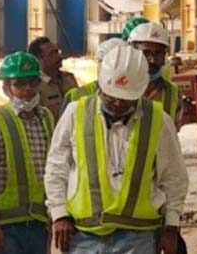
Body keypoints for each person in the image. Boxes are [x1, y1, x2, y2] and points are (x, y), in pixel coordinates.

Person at [45, 45, 188, 254]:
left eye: (125, 100)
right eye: (111, 97)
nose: (118, 104)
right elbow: (56, 167)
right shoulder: (75, 113)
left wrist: (171, 227)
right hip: (83, 235)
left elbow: (174, 177)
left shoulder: (158, 120)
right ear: (101, 85)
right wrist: (59, 213)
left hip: (138, 236)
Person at [0, 52, 54, 254]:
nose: (28, 89)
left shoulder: (47, 118)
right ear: (6, 88)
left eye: (33, 82)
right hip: (3, 227)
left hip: (37, 224)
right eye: (19, 84)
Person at [127, 22, 183, 130]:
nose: (152, 60)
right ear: (132, 54)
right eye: (146, 53)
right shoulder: (119, 91)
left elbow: (174, 131)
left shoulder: (173, 93)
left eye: (158, 53)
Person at [28, 37, 79, 119]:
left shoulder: (69, 78)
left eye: (58, 52)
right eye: (53, 53)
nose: (60, 56)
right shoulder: (34, 86)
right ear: (39, 59)